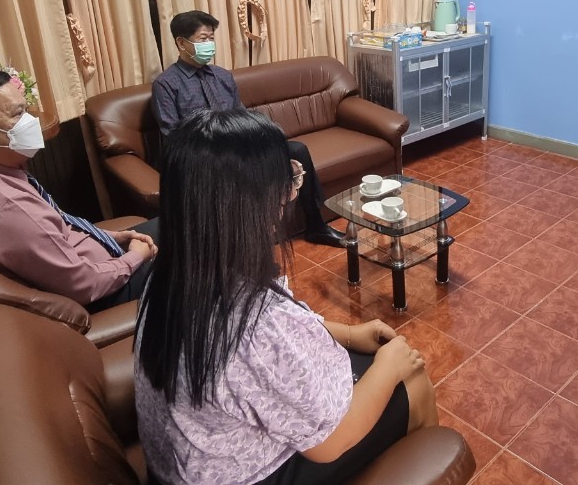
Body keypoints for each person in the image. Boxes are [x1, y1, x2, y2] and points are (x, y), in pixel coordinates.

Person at [134, 109, 439, 485]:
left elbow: (260, 359)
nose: (286, 200)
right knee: (412, 380)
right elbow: (329, 443)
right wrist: (390, 367)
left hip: (182, 467)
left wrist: (346, 332)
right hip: (244, 476)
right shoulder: (255, 326)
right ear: (248, 207)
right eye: (283, 187)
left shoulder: (166, 276)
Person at [0, 66, 158, 311]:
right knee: (191, 249)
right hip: (107, 288)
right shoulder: (9, 207)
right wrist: (136, 257)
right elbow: (84, 284)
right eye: (18, 113)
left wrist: (111, 237)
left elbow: (56, 232)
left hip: (100, 258)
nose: (31, 121)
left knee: (176, 222)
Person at [152, 10, 345, 247]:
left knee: (297, 150)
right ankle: (249, 246)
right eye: (203, 39)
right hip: (206, 158)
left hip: (240, 147)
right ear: (182, 43)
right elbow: (172, 135)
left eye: (212, 38)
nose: (210, 44)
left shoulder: (222, 76)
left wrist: (263, 135)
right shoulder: (166, 84)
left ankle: (316, 226)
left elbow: (242, 115)